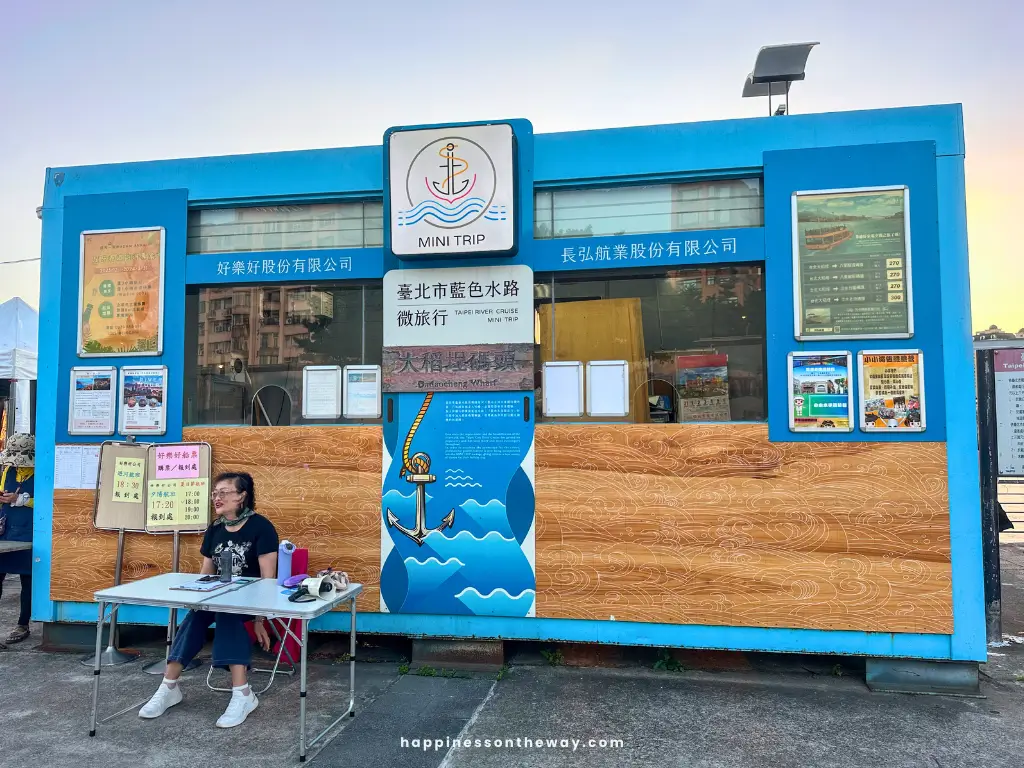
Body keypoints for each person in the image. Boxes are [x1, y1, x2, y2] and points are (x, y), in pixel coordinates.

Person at [139, 471, 279, 728]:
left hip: (250, 599)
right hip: (218, 595)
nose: (217, 498)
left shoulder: (262, 527)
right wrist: (197, 598)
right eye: (215, 493)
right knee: (196, 616)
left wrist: (261, 618)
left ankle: (243, 693)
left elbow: (268, 580)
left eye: (224, 493)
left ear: (242, 496)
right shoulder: (215, 529)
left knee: (227, 614)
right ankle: (169, 686)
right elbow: (206, 573)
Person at [0, 433, 36, 648]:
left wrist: (20, 500)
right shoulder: (7, 471)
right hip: (5, 530)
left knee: (28, 581)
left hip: (30, 532)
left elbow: (48, 499)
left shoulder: (42, 471)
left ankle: (23, 624)